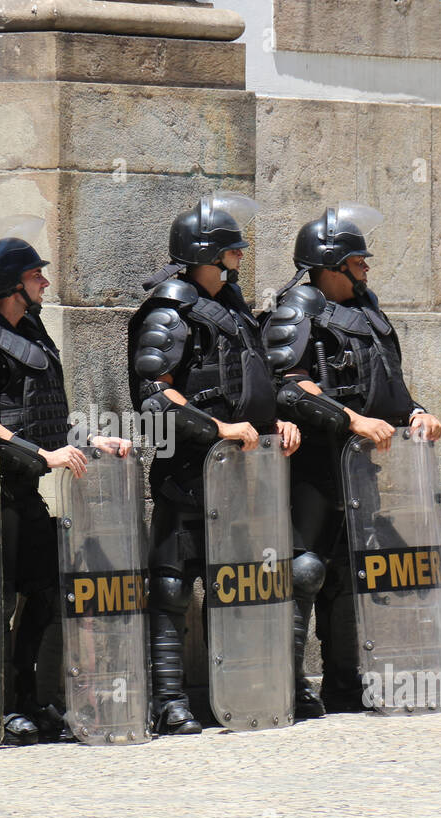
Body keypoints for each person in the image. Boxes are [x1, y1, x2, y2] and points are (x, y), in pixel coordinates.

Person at [0, 219, 128, 745]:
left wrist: (91, 440)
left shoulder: (33, 334)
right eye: (34, 275)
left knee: (44, 592)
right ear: (8, 286)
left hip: (26, 487)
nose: (44, 282)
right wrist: (45, 455)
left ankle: (26, 696)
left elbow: (47, 416)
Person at [128, 193, 300, 736]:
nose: (239, 257)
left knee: (242, 583)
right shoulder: (168, 309)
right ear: (207, 254)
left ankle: (247, 689)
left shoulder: (232, 306)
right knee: (174, 585)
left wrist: (275, 424)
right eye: (230, 249)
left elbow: (254, 380)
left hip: (245, 474)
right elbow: (153, 395)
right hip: (189, 471)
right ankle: (169, 700)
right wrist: (220, 429)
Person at [265, 204, 441, 713]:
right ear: (330, 263)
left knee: (349, 568)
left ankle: (344, 681)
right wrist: (349, 420)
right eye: (357, 258)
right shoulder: (297, 307)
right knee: (305, 570)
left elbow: (389, 384)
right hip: (314, 461)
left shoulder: (368, 309)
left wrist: (417, 413)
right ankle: (289, 687)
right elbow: (286, 387)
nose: (366, 265)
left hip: (362, 461)